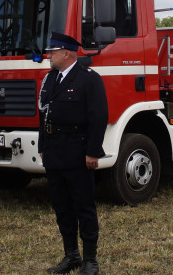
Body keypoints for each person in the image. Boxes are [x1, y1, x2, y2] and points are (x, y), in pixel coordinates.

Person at [38, 32, 108, 275]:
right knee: (62, 207)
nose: (49, 56)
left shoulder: (89, 79)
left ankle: (90, 260)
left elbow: (98, 118)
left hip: (77, 151)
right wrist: (42, 146)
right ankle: (71, 256)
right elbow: (43, 114)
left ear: (66, 53)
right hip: (54, 151)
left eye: (53, 52)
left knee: (83, 206)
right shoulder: (50, 79)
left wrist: (92, 152)